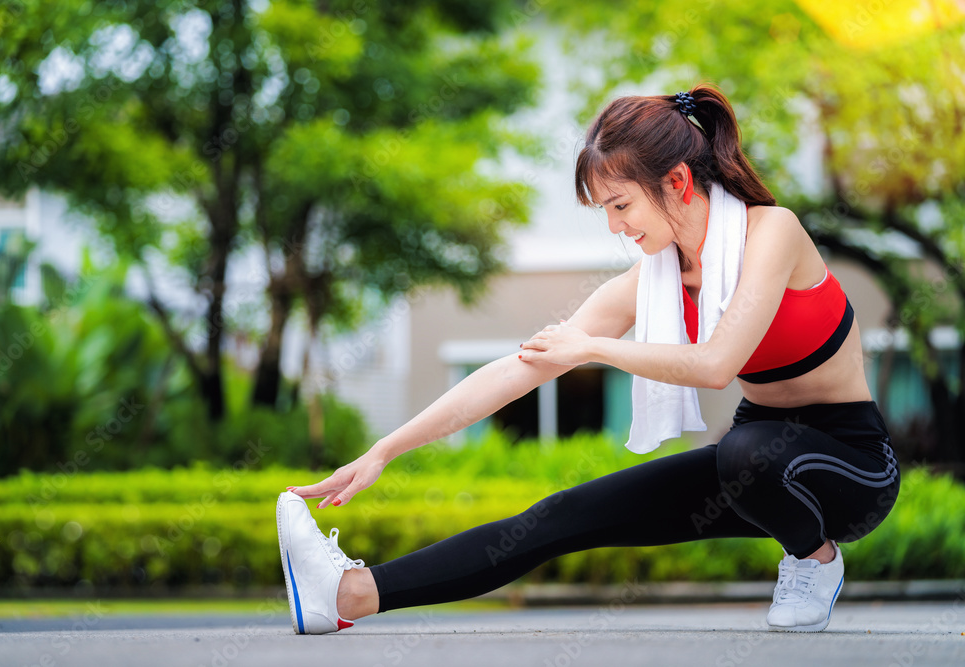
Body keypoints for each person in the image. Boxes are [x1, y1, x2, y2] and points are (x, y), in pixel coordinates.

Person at [276, 84, 901, 636]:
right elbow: (517, 370)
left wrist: (594, 348)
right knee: (562, 515)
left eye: (621, 205)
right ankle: (348, 595)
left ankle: (814, 558)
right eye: (606, 211)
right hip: (755, 467)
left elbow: (715, 364)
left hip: (851, 470)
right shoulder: (655, 280)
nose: (615, 227)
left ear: (677, 182)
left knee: (745, 450)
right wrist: (383, 450)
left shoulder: (775, 233)